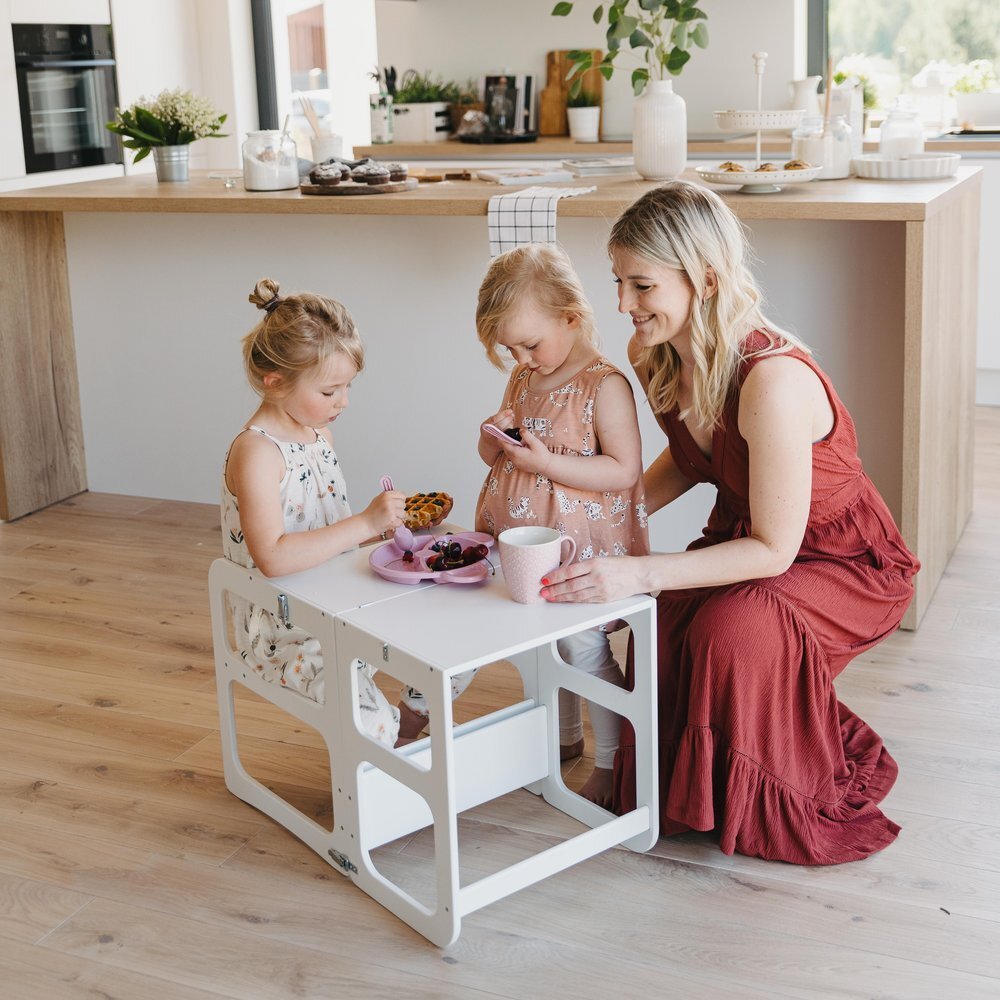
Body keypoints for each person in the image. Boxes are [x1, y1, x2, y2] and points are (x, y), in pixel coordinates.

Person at [539, 181, 919, 864]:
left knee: (728, 633)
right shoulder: (653, 354)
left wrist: (636, 568)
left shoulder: (771, 380)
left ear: (706, 280)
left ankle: (758, 785)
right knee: (667, 618)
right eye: (618, 282)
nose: (623, 305)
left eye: (642, 286)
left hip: (838, 559)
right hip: (750, 534)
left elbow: (775, 550)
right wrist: (602, 524)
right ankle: (693, 783)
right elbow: (689, 462)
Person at [469, 242, 649, 807]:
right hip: (524, 545)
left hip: (579, 550)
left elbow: (623, 471)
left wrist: (545, 462)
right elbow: (494, 458)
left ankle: (611, 761)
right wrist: (490, 437)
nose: (522, 358)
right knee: (539, 647)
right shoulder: (525, 380)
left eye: (530, 343)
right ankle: (564, 740)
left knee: (583, 649)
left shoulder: (604, 384)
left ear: (571, 317)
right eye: (510, 349)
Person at [221, 278, 406, 747]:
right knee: (375, 723)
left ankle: (406, 740)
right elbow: (275, 558)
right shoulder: (257, 452)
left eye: (348, 386)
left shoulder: (317, 432)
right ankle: (383, 754)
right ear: (275, 381)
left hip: (342, 599)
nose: (344, 402)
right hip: (284, 628)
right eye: (330, 391)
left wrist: (387, 535)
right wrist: (364, 523)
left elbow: (327, 526)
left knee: (453, 650)